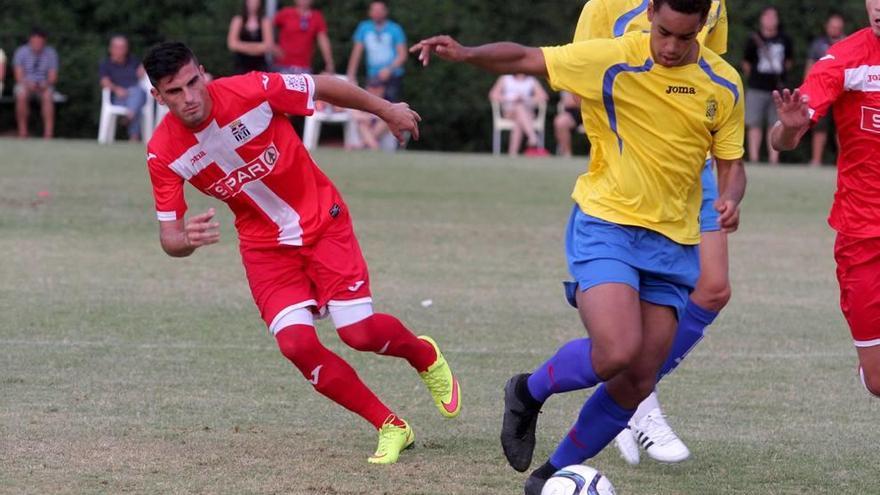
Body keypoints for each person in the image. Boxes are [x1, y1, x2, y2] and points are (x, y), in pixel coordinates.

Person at [411, 0, 746, 491]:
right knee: (616, 351)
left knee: (638, 379)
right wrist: (466, 54)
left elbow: (730, 160)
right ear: (651, 13)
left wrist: (732, 198)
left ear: (704, 28)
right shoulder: (612, 57)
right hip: (608, 223)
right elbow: (526, 58)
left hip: (674, 243)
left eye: (686, 37)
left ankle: (548, 477)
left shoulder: (724, 83)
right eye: (665, 33)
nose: (672, 47)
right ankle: (527, 391)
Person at [143, 42, 461, 465]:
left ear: (204, 73)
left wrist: (384, 109)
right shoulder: (163, 152)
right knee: (295, 345)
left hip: (322, 220)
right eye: (175, 92)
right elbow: (170, 237)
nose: (190, 97)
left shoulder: (251, 89)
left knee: (359, 333)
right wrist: (185, 242)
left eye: (193, 83)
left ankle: (423, 354)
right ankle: (391, 425)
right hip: (264, 245)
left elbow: (324, 86)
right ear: (157, 97)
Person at [573, 0, 730, 466]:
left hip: (692, 162)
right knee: (632, 305)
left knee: (714, 288)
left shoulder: (715, 4)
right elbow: (583, 77)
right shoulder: (603, 7)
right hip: (634, 166)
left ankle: (633, 394)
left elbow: (710, 69)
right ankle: (636, 404)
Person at [770, 0, 880, 402]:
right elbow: (780, 139)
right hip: (863, 235)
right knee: (879, 382)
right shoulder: (843, 60)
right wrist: (789, 130)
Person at [742, 6, 793, 164]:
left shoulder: (785, 39)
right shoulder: (753, 39)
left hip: (777, 88)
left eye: (773, 17)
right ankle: (754, 157)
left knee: (775, 123)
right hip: (757, 86)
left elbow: (789, 61)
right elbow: (746, 62)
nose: (770, 20)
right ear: (761, 19)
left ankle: (773, 159)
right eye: (767, 17)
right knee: (754, 123)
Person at [804, 13, 846, 166]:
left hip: (843, 92)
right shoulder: (818, 44)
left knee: (844, 128)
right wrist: (807, 88)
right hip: (821, 91)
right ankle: (816, 160)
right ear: (827, 27)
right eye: (832, 26)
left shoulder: (848, 43)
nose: (835, 29)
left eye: (838, 27)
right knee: (818, 127)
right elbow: (810, 66)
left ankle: (844, 161)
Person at [346, 1, 407, 103]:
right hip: (373, 75)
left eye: (380, 10)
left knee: (391, 107)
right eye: (374, 10)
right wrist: (351, 74)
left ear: (386, 11)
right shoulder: (364, 28)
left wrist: (389, 69)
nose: (377, 13)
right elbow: (356, 53)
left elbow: (402, 55)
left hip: (393, 76)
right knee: (372, 107)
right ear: (369, 12)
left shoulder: (395, 29)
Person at [99, 35, 147, 141]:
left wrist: (144, 69)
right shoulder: (106, 64)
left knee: (137, 92)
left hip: (135, 94)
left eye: (123, 47)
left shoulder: (133, 61)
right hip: (119, 97)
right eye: (117, 47)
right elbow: (104, 81)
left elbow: (142, 76)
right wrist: (116, 89)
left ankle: (129, 116)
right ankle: (133, 136)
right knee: (136, 101)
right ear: (111, 49)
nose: (120, 50)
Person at [13, 28, 59, 139]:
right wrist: (28, 84)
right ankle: (22, 132)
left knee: (48, 96)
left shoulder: (51, 53)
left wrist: (45, 84)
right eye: (35, 42)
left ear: (44, 42)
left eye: (40, 42)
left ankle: (48, 134)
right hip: (25, 84)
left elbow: (53, 77)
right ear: (30, 40)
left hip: (44, 86)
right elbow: (18, 76)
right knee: (21, 94)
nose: (37, 45)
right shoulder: (21, 52)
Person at [489, 73, 549, 156]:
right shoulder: (505, 78)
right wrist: (511, 99)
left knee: (519, 118)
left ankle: (512, 153)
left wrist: (526, 99)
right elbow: (493, 94)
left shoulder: (531, 80)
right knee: (519, 107)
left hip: (527, 113)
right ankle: (532, 136)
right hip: (509, 112)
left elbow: (543, 96)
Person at [273, 0, 334, 74]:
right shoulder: (285, 13)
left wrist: (329, 62)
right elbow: (267, 25)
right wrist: (272, 46)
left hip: (304, 68)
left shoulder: (317, 17)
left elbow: (323, 40)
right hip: (282, 66)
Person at [227, 0, 274, 74]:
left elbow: (268, 46)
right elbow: (232, 44)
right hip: (241, 67)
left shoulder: (265, 21)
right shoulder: (238, 20)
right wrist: (256, 48)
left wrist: (242, 46)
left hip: (260, 68)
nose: (253, 4)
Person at [553, 91, 582, 158]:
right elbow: (567, 102)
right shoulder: (566, 83)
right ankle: (566, 154)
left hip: (593, 113)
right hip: (574, 114)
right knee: (560, 122)